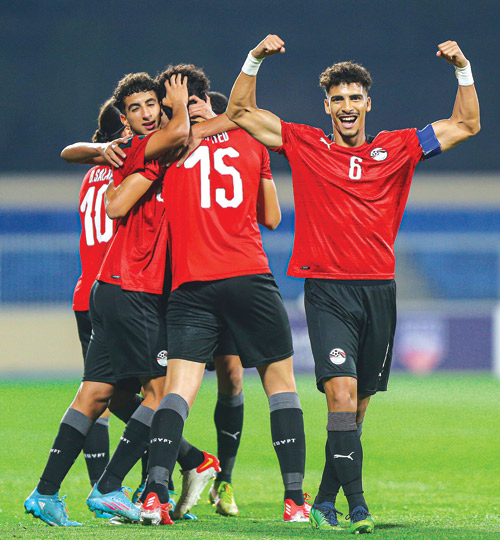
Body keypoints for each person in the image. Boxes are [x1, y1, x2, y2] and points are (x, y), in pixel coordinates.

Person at [226, 35, 480, 534]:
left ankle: (324, 500)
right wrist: (253, 59)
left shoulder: (399, 147)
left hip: (379, 292)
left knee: (356, 410)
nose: (346, 106)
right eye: (337, 98)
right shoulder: (305, 143)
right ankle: (359, 507)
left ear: (368, 103)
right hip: (327, 292)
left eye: (354, 98)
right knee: (340, 396)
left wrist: (463, 69)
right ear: (327, 106)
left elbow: (467, 124)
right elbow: (239, 112)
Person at [128, 63, 309, 527]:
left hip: (191, 285)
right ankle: (294, 500)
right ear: (208, 99)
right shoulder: (251, 139)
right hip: (248, 277)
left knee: (177, 392)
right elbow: (272, 218)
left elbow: (118, 196)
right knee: (280, 386)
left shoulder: (168, 145)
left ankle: (155, 496)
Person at [23, 100, 135, 527]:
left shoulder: (92, 172)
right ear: (124, 128)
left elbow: (71, 151)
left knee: (101, 396)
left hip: (87, 295)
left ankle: (85, 489)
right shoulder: (129, 167)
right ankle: (144, 488)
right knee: (155, 392)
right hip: (122, 292)